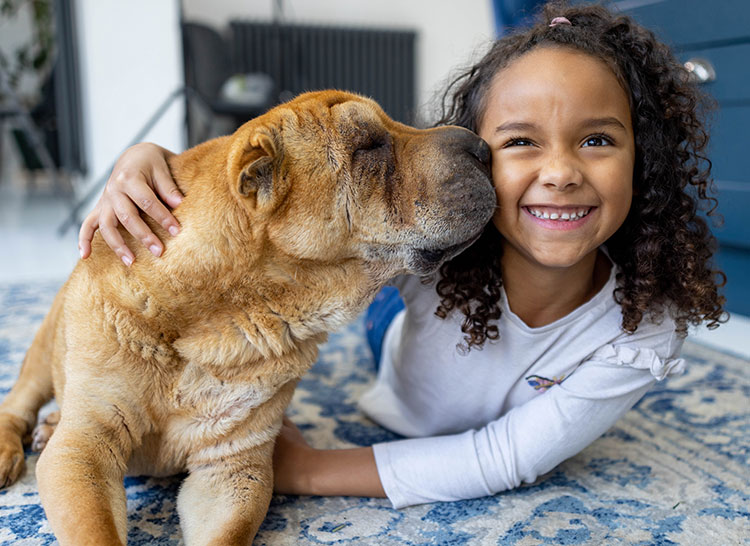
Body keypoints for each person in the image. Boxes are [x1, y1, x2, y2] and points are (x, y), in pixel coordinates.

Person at [78, 2, 726, 508]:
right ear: (478, 159)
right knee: (319, 271)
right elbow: (278, 203)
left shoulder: (648, 326)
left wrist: (306, 468)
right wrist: (153, 164)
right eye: (523, 140)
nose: (559, 172)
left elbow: (503, 458)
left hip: (442, 341)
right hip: (402, 324)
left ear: (647, 160)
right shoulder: (438, 239)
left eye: (596, 140)